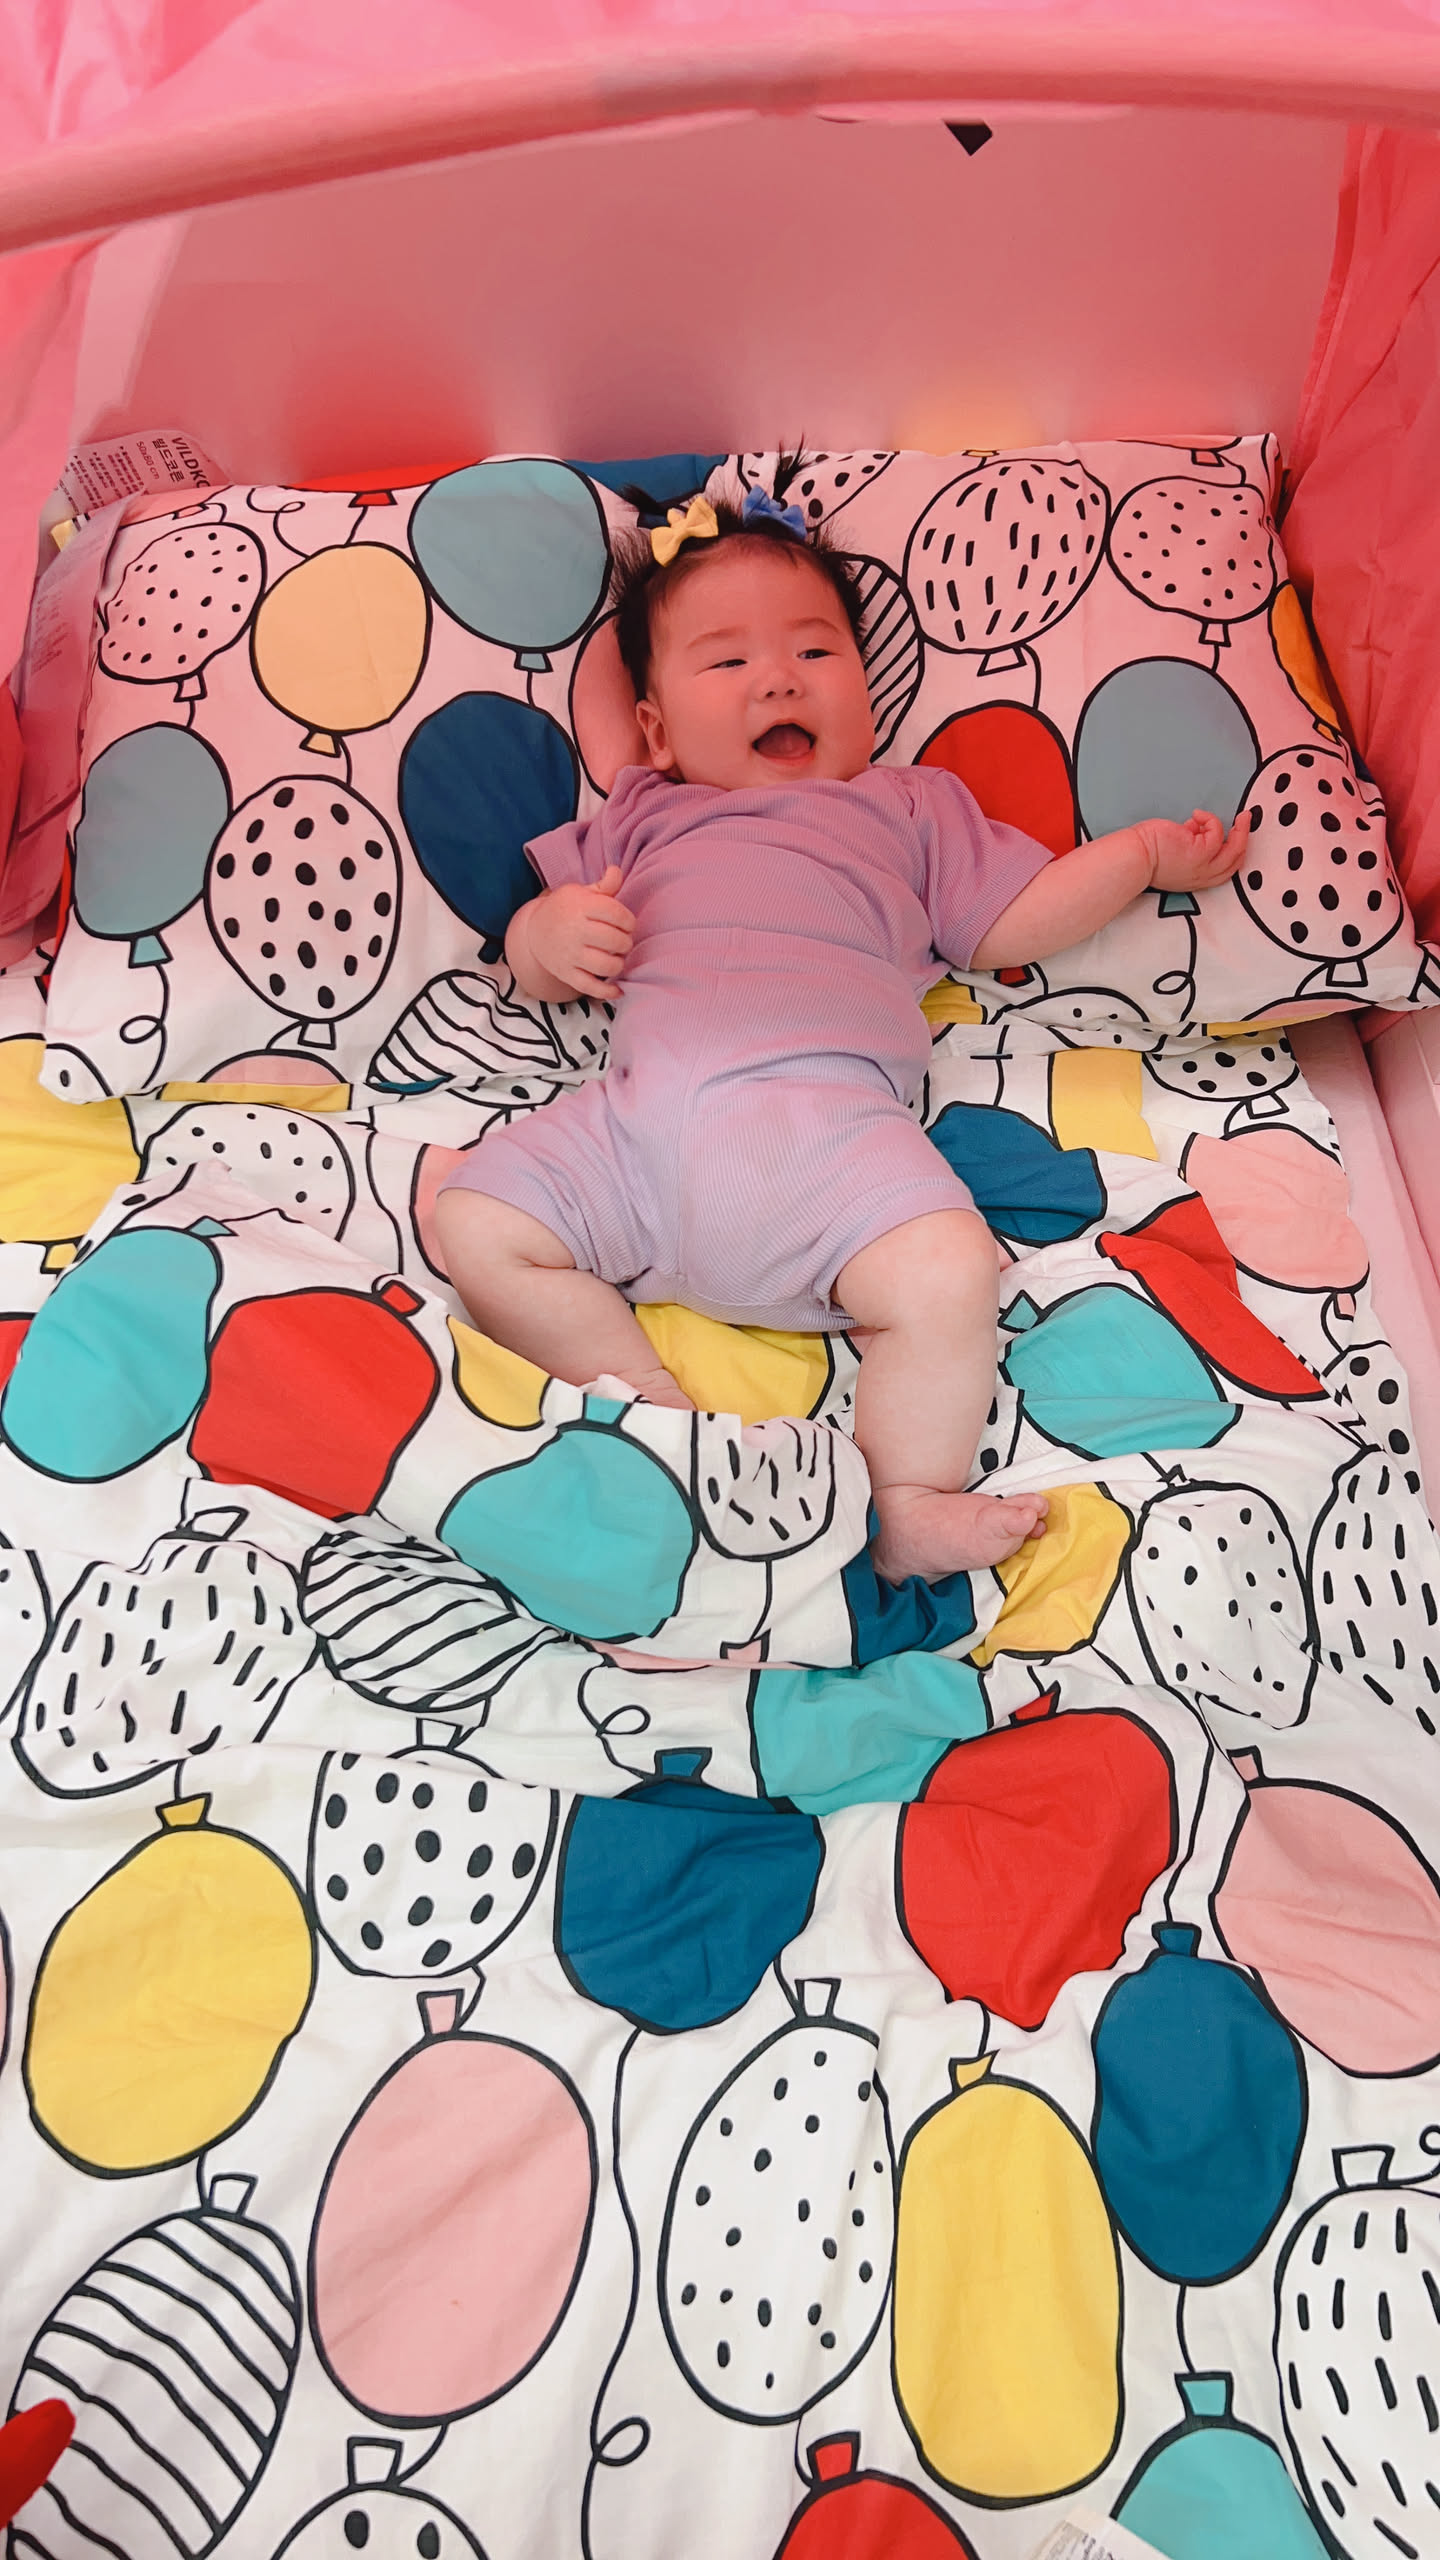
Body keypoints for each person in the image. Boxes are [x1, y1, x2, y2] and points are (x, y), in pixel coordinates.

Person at [435, 481, 1249, 1584]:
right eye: (728, 660)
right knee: (474, 1217)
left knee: (950, 1272)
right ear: (657, 731)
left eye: (815, 652)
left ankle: (903, 1498)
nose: (777, 677)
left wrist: (1139, 857)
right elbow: (527, 964)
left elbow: (1012, 921)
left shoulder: (908, 808)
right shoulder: (638, 815)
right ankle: (653, 1410)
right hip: (639, 1137)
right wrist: (547, 936)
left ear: (866, 690)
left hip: (835, 1144)